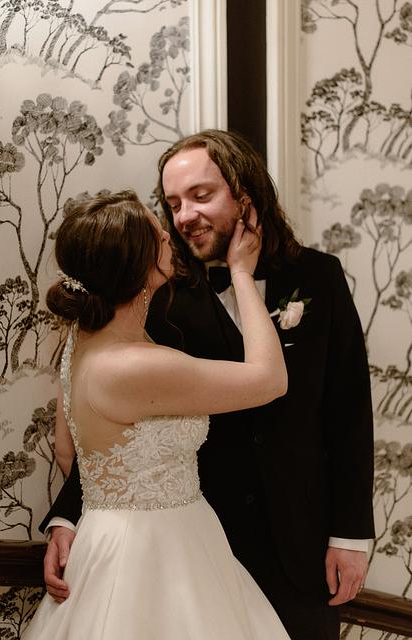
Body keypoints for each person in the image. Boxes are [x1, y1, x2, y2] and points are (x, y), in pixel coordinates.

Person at [40, 130, 375, 640]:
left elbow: (348, 412)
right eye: (173, 204)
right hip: (189, 550)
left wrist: (350, 535)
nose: (184, 217)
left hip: (301, 544)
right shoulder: (154, 292)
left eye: (201, 196)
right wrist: (67, 517)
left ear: (246, 193)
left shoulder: (319, 277)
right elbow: (111, 429)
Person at [25, 189, 290, 639]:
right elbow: (270, 380)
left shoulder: (81, 341)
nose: (168, 234)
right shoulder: (136, 365)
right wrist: (242, 273)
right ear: (137, 267)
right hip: (154, 552)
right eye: (156, 232)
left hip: (114, 536)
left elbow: (69, 450)